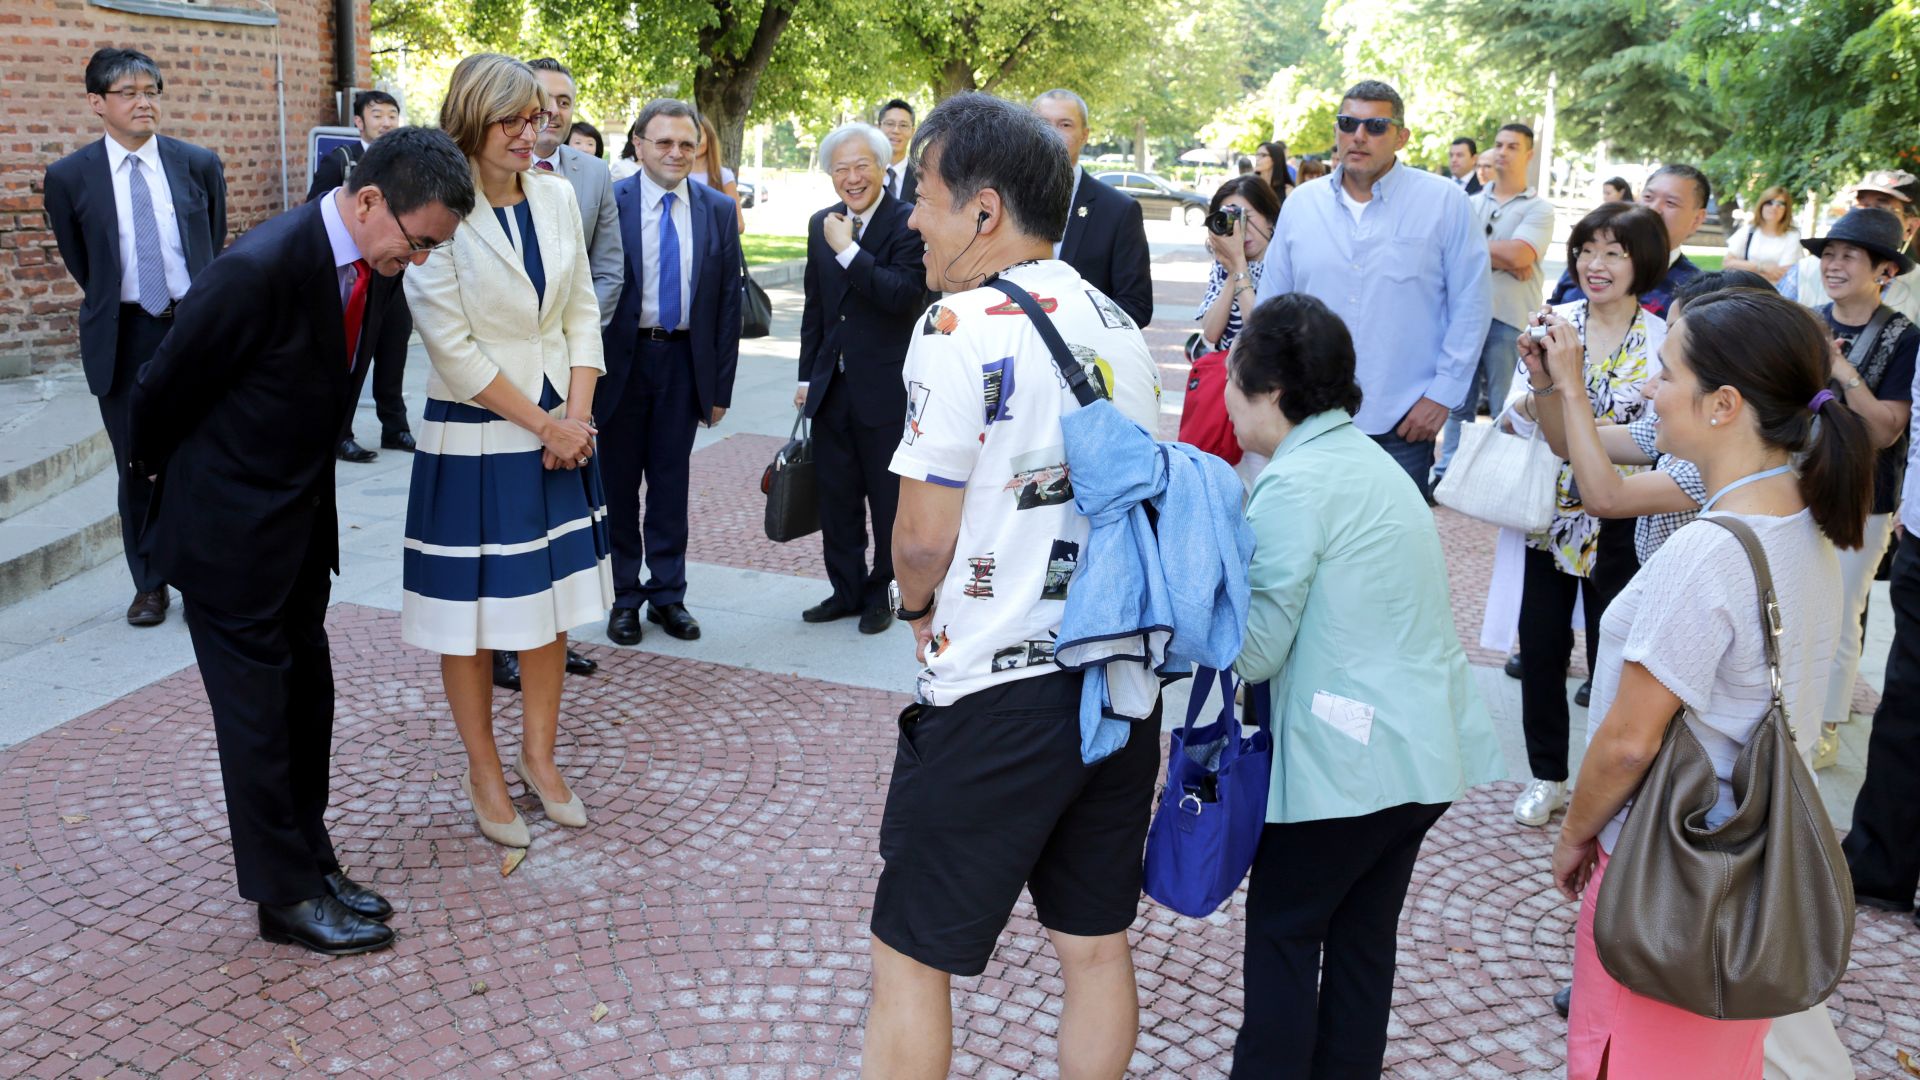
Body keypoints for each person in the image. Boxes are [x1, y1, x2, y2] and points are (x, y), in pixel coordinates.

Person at [862, 91, 1162, 1080]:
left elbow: (919, 538)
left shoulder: (956, 326)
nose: (912, 218)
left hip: (994, 688)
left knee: (911, 956)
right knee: (1094, 943)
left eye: (924, 194)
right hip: (1117, 685)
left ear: (983, 210)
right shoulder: (1116, 321)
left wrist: (914, 612)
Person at [126, 127, 472, 954]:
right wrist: (167, 514)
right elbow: (157, 396)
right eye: (418, 242)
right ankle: (283, 900)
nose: (419, 261)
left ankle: (311, 863)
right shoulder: (258, 268)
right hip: (226, 534)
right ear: (367, 202)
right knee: (257, 722)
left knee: (304, 705)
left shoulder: (372, 264)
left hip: (296, 530)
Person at [1551, 288, 1872, 1080]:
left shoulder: (1708, 551)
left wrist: (1574, 834)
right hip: (1747, 877)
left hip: (1671, 876)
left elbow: (1628, 743)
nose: (1648, 390)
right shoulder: (1806, 518)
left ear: (1724, 405)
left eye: (1665, 374)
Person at [1224, 292, 1503, 1078]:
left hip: (1346, 764)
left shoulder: (1295, 483)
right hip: (1421, 754)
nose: (1224, 396)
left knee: (1283, 935)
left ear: (1272, 394)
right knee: (1359, 948)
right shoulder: (1371, 462)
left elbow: (1256, 655)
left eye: (1233, 382)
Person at [400, 54, 612, 849]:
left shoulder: (557, 196)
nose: (534, 133)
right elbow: (452, 351)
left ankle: (540, 757)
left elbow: (582, 311)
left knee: (549, 610)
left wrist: (578, 417)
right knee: (475, 620)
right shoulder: (438, 210)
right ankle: (483, 769)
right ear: (472, 122)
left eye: (540, 118)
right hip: (478, 438)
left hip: (561, 431)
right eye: (514, 121)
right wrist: (546, 424)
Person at [44, 47, 227, 629]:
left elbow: (212, 243)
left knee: (202, 459)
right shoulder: (69, 177)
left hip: (192, 328)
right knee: (136, 465)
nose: (144, 101)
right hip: (124, 336)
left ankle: (205, 577)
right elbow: (85, 264)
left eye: (151, 89)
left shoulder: (198, 164)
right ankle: (150, 585)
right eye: (128, 92)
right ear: (97, 103)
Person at [1503, 204, 1671, 827]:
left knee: (1615, 655)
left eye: (1614, 253)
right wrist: (1538, 392)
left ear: (1642, 263)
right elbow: (1533, 425)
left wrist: (1569, 415)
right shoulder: (1554, 324)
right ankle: (1547, 776)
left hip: (1628, 517)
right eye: (1587, 250)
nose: (1595, 265)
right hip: (1552, 514)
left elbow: (1657, 437)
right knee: (1542, 651)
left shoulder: (1661, 341)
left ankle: (1608, 784)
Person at [1253, 79, 1492, 501]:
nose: (1359, 135)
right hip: (1305, 418)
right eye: (1348, 123)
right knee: (1303, 544)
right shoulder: (1302, 204)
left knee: (1389, 556)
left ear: (1401, 136)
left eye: (1376, 126)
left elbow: (1471, 304)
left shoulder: (1445, 203)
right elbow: (1273, 308)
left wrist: (1441, 396)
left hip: (1401, 421)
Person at [491, 56, 626, 694]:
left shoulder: (577, 182)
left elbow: (595, 285)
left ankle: (549, 651)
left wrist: (575, 411)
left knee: (558, 557)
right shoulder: (453, 190)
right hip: (493, 411)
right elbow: (451, 338)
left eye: (557, 107)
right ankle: (503, 651)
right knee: (498, 559)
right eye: (529, 107)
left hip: (566, 392)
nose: (545, 119)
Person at [599, 99, 744, 647]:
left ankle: (668, 595)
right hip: (619, 364)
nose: (676, 153)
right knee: (617, 485)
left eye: (687, 143)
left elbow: (728, 303)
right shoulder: (609, 202)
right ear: (638, 144)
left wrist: (719, 388)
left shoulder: (717, 208)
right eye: (663, 142)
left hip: (683, 364)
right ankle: (622, 597)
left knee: (669, 484)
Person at [792, 123, 927, 634]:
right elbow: (817, 307)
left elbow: (902, 296)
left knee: (886, 500)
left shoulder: (906, 221)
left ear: (882, 166)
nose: (852, 178)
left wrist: (849, 251)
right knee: (837, 496)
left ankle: (882, 594)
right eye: (840, 169)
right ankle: (844, 590)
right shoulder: (819, 223)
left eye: (861, 166)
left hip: (885, 387)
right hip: (832, 386)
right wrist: (807, 375)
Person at [1806, 208, 1918, 768]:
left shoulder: (1905, 337)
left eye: (1849, 255)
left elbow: (1884, 429)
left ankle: (1824, 725)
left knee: (1842, 609)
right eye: (1828, 253)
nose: (1833, 264)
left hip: (1866, 497)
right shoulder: (1805, 320)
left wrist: (1838, 371)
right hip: (1799, 484)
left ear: (1884, 271)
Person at [1433, 122, 1555, 485]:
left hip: (1510, 318)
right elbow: (1445, 254)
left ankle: (1500, 480)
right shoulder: (1467, 202)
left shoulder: (1539, 209)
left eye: (1513, 146)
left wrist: (1483, 254)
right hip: (1466, 316)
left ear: (1528, 154)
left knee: (1507, 404)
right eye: (1499, 144)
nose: (1503, 151)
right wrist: (1501, 257)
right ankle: (1447, 475)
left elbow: (1521, 255)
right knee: (1458, 404)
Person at [304, 90, 414, 465]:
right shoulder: (342, 161)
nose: (385, 121)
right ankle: (341, 433)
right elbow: (316, 211)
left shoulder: (406, 164)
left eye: (391, 115)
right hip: (355, 275)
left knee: (394, 344)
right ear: (358, 122)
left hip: (393, 273)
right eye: (377, 114)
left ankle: (395, 427)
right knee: (352, 355)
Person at [1033, 88, 1154, 328]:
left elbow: (1136, 305)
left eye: (1065, 125)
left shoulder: (1118, 210)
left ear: (1085, 135)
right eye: (1042, 124)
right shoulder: (1001, 200)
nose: (1052, 134)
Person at [1548, 162, 1710, 319]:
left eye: (1670, 203)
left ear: (1697, 219)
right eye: (1648, 197)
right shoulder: (1589, 261)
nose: (1653, 208)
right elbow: (1553, 308)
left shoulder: (1696, 291)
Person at [1783, 170, 1920, 321]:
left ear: (1910, 228)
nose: (1865, 216)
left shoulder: (1917, 284)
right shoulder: (1803, 273)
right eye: (1860, 206)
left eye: (1881, 210)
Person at [1194, 175, 1280, 355]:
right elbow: (1211, 334)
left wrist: (1239, 266)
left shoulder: (1282, 264)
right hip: (1225, 376)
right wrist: (1234, 267)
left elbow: (1261, 332)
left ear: (1269, 219)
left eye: (1245, 217)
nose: (1239, 228)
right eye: (1231, 219)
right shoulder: (1224, 263)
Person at [1723, 186, 1802, 285]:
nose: (1774, 207)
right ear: (1761, 205)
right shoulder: (1748, 231)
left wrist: (1745, 271)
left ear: (1786, 210)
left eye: (1780, 204)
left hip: (1775, 295)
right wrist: (1762, 267)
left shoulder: (1792, 236)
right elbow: (1727, 263)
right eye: (1769, 202)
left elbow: (1783, 274)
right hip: (1746, 293)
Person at [876, 98, 918, 204]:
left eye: (903, 125)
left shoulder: (922, 176)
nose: (896, 130)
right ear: (878, 127)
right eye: (890, 124)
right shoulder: (864, 172)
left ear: (912, 131)